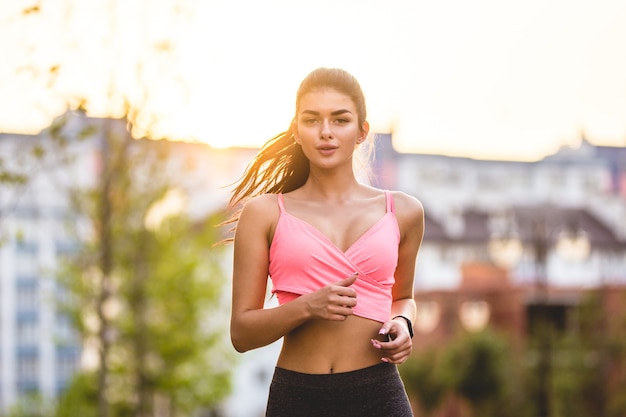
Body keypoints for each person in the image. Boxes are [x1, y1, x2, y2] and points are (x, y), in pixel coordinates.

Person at [227, 67, 424, 417]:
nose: (326, 133)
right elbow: (242, 334)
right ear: (296, 131)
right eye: (312, 120)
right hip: (298, 397)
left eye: (340, 120)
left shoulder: (403, 211)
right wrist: (307, 306)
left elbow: (403, 298)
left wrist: (404, 323)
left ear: (362, 131)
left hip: (378, 393)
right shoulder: (265, 213)